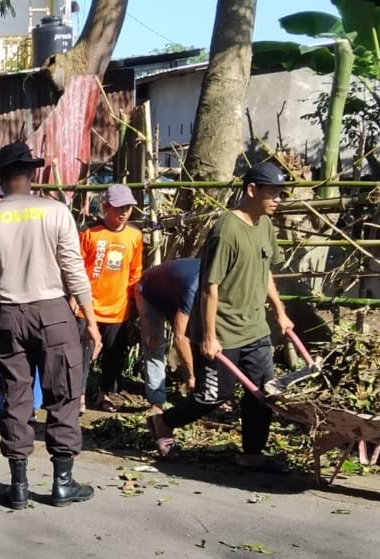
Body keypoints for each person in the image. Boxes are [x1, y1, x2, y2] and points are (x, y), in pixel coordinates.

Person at [0, 141, 102, 509]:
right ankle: (62, 482)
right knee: (64, 393)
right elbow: (74, 270)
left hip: (9, 315)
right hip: (54, 312)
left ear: (1, 178)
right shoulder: (55, 212)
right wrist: (90, 320)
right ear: (32, 174)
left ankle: (20, 485)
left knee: (17, 396)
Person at [147, 162, 295, 471]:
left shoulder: (265, 225)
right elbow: (209, 288)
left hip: (255, 328)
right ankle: (163, 422)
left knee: (263, 394)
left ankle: (252, 454)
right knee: (213, 395)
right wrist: (210, 336)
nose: (278, 199)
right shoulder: (225, 231)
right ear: (251, 190)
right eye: (273, 193)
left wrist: (280, 312)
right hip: (223, 332)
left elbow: (265, 271)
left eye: (280, 193)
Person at [0, 177, 44, 428]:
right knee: (33, 358)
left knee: (11, 361)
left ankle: (9, 410)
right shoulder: (28, 217)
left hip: (9, 303)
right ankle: (30, 409)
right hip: (43, 302)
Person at [77, 184, 143, 412]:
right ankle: (80, 395)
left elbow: (136, 271)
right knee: (82, 354)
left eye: (128, 208)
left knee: (113, 357)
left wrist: (134, 302)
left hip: (118, 307)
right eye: (118, 208)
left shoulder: (135, 235)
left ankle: (104, 395)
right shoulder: (89, 232)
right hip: (88, 307)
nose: (123, 212)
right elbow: (76, 268)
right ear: (106, 207)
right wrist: (75, 297)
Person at [135, 258, 200, 415]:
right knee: (154, 344)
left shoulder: (216, 282)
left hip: (176, 296)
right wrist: (192, 377)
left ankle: (200, 395)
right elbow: (179, 337)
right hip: (150, 294)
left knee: (196, 340)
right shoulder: (193, 286)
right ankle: (156, 402)